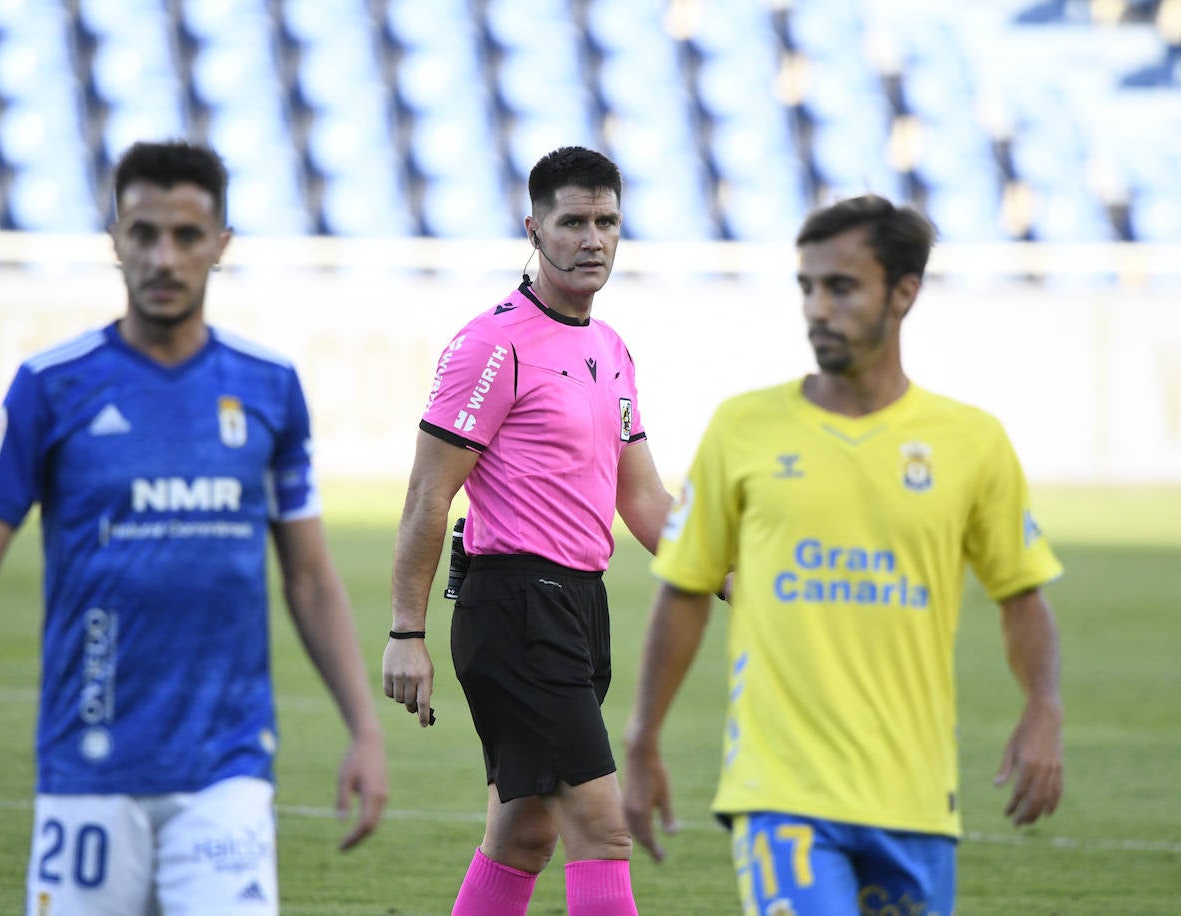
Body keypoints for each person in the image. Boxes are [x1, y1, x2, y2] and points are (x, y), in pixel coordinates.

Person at [0, 140, 388, 915]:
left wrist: (364, 728)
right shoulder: (51, 386)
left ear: (220, 247)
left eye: (187, 236)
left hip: (228, 771)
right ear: (114, 241)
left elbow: (310, 576)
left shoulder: (270, 388)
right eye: (143, 233)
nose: (164, 257)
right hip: (87, 766)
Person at [622, 193, 1065, 914]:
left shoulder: (971, 442)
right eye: (807, 286)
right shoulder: (743, 428)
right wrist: (642, 740)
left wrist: (1043, 706)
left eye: (842, 286)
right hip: (781, 792)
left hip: (916, 799)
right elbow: (682, 593)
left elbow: (1022, 596)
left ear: (904, 293)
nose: (818, 308)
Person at [381, 146, 673, 916]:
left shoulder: (609, 350)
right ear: (533, 228)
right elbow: (426, 494)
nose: (592, 239)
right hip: (514, 608)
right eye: (572, 221)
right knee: (603, 830)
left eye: (606, 221)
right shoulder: (492, 344)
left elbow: (642, 499)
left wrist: (735, 576)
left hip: (578, 606)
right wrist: (405, 630)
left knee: (522, 835)